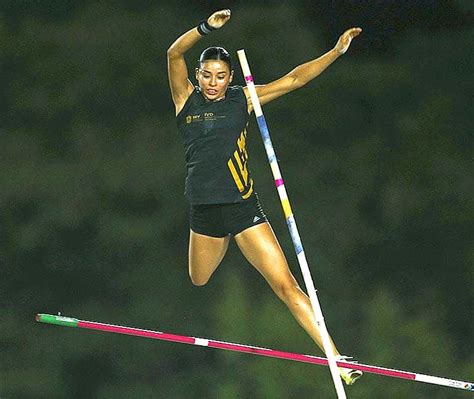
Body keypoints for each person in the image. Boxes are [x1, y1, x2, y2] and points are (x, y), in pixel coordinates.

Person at [167, 9, 362, 385]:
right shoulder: (185, 101)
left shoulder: (242, 100)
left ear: (231, 78)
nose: (212, 82)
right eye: (206, 75)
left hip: (243, 210)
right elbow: (174, 54)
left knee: (286, 285)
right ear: (197, 76)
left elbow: (293, 80)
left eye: (220, 76)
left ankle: (335, 357)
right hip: (205, 213)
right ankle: (222, 243)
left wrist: (335, 52)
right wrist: (204, 29)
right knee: (199, 279)